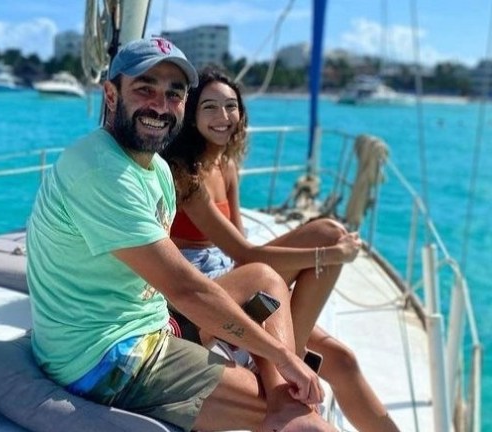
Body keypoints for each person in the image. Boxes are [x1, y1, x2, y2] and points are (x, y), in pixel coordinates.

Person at [26, 37, 334, 432]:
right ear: (110, 95)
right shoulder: (101, 171)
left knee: (262, 278)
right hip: (104, 357)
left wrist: (265, 352)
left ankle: (279, 403)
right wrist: (282, 356)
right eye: (144, 89)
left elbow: (171, 286)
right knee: (309, 424)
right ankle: (280, 408)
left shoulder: (154, 170)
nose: (160, 104)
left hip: (150, 324)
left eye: (174, 94)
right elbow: (185, 289)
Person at [161, 66, 400, 432]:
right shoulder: (185, 174)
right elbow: (246, 256)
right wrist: (326, 257)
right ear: (191, 115)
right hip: (209, 290)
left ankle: (288, 353)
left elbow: (243, 251)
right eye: (210, 107)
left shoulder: (225, 166)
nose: (223, 117)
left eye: (231, 106)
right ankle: (288, 362)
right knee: (324, 242)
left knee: (345, 360)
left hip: (239, 276)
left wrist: (319, 254)